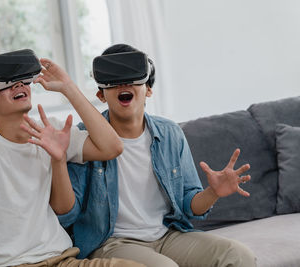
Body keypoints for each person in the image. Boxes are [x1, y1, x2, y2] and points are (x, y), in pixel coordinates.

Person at [58, 44, 257, 267]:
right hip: (111, 242)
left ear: (149, 90)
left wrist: (213, 192)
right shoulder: (82, 139)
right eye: (113, 80)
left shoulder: (170, 134)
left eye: (133, 78)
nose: (123, 84)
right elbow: (68, 214)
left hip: (166, 235)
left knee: (238, 255)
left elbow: (189, 205)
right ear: (100, 95)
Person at [0, 51, 145, 267]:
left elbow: (112, 147)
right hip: (7, 263)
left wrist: (67, 88)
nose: (19, 85)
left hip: (61, 258)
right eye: (7, 82)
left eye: (22, 80)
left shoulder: (49, 130)